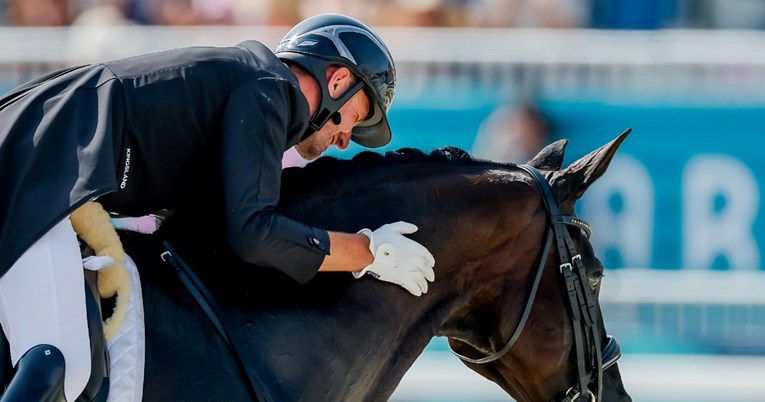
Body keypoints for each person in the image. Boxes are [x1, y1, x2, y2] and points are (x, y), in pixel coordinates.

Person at [0, 13, 435, 402]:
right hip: (33, 172)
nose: (344, 141)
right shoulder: (269, 90)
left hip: (36, 168)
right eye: (355, 120)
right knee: (63, 364)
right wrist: (369, 252)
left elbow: (213, 230)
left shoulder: (248, 86)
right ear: (337, 81)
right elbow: (254, 232)